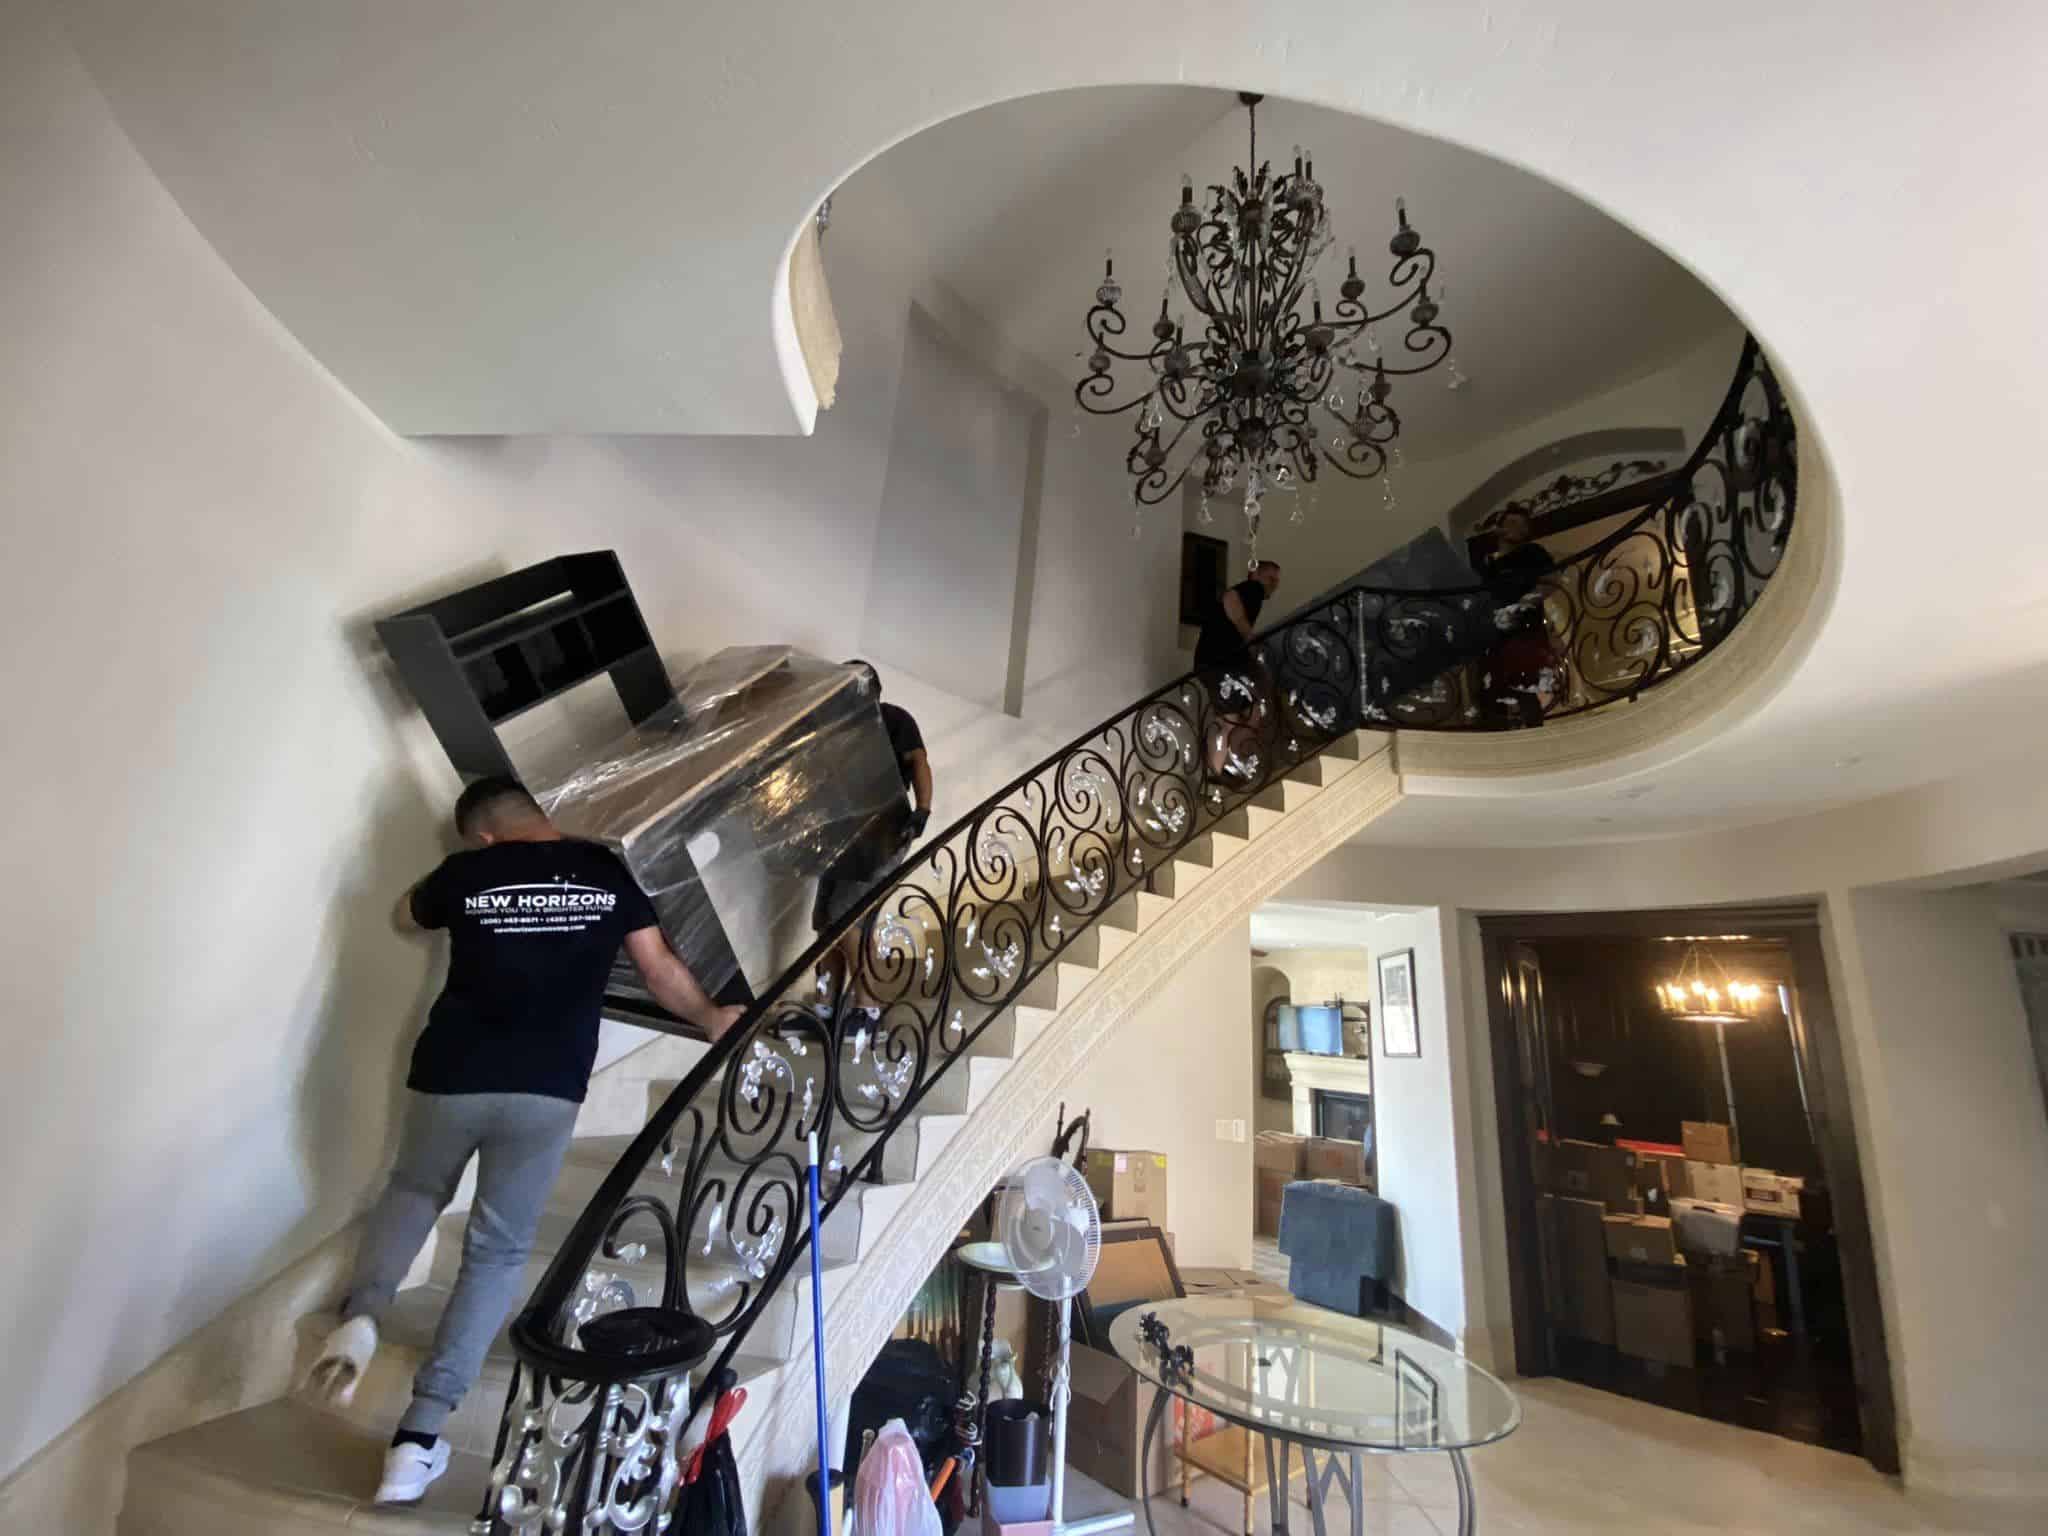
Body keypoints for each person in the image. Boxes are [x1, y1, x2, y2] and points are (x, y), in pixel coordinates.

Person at [306, 776, 743, 1504]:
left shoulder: (468, 870)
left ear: (483, 833)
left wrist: (470, 881)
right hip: (545, 1088)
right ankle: (417, 1439)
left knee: (413, 1192)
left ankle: (361, 1316)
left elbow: (405, 914)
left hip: (449, 1074)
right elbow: (659, 968)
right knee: (497, 1251)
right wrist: (709, 1018)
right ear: (540, 816)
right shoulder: (604, 871)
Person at [812, 661, 932, 1006]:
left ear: (872, 689)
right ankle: (825, 1006)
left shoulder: (894, 719)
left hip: (885, 831)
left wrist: (923, 809)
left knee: (846, 914)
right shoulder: (834, 730)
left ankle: (868, 1006)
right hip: (840, 837)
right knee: (825, 922)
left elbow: (919, 762)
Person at [1195, 560, 1282, 778]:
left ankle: (1224, 767)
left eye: (1277, 581)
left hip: (1217, 662)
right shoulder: (1253, 588)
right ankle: (1218, 771)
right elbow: (1230, 598)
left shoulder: (1253, 593)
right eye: (1270, 578)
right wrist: (1249, 635)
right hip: (1219, 663)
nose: (1274, 585)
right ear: (1255, 574)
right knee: (1232, 719)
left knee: (1242, 716)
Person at [1480, 509, 1559, 725]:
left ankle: (1534, 732)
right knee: (1495, 687)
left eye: (1523, 525)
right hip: (1495, 635)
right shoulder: (1489, 564)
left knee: (1524, 685)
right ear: (1500, 527)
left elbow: (1551, 581)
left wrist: (1520, 606)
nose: (1519, 528)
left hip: (1525, 631)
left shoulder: (1532, 551)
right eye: (1513, 522)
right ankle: (1501, 734)